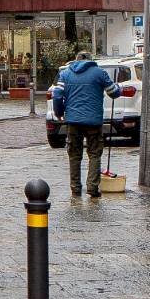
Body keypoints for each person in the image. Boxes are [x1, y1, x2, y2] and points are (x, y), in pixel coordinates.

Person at [52, 50, 120, 199]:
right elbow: (113, 92)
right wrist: (118, 88)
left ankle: (75, 189)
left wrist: (59, 112)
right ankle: (92, 187)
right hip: (94, 122)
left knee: (74, 155)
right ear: (90, 60)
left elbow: (57, 95)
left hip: (73, 121)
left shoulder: (66, 74)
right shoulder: (99, 73)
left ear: (76, 60)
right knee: (95, 153)